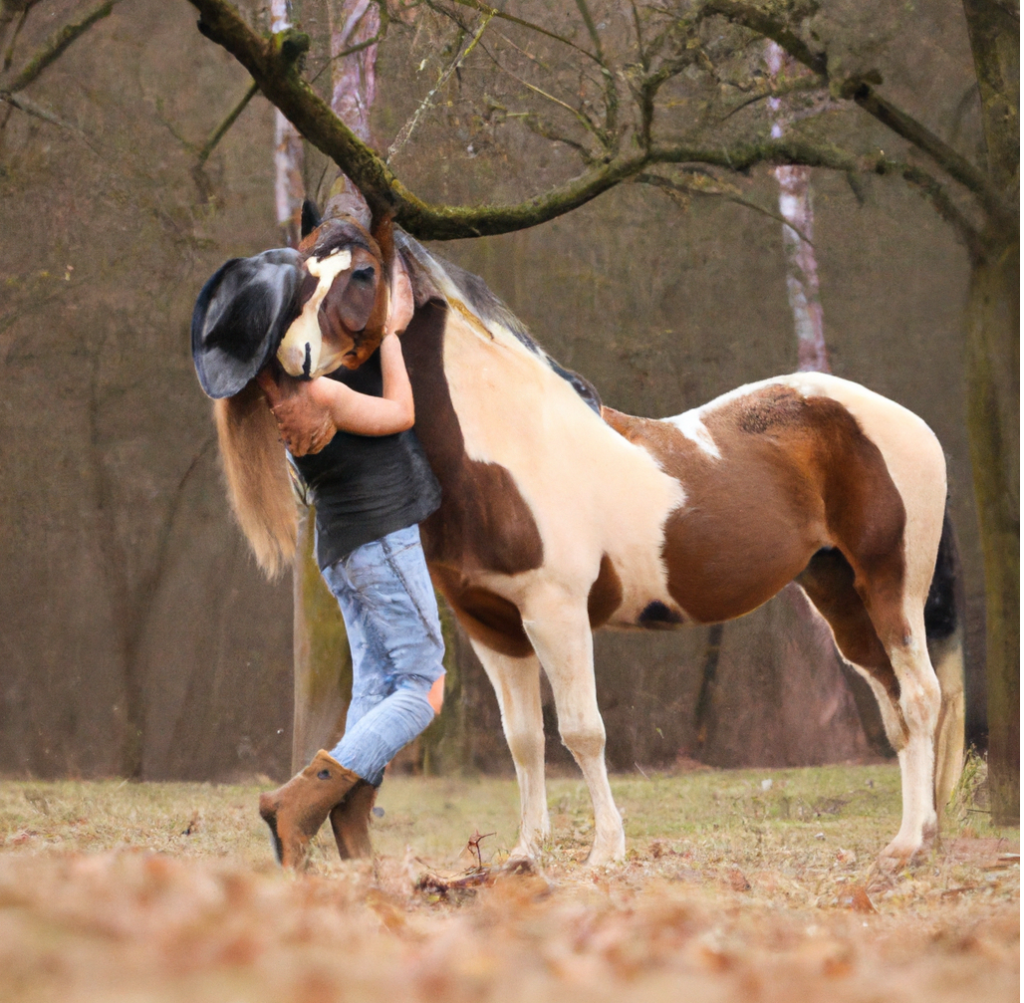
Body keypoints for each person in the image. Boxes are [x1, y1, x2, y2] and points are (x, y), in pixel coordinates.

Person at [255, 258, 446, 869]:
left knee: (376, 685)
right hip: (381, 538)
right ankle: (298, 802)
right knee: (423, 686)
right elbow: (401, 414)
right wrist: (391, 335)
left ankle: (350, 826)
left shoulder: (278, 393)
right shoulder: (322, 392)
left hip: (341, 547)